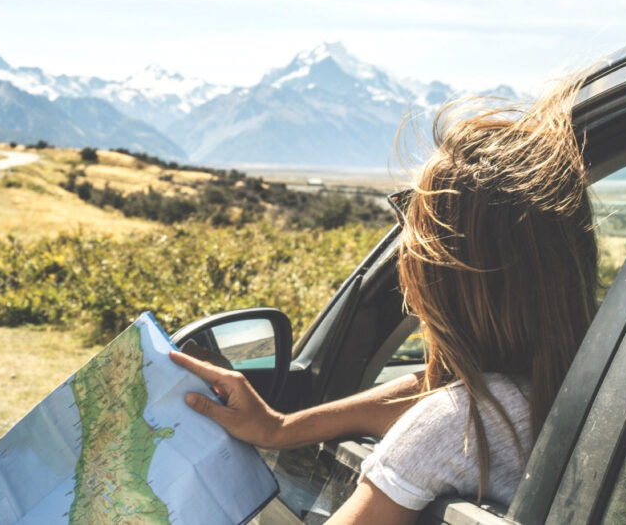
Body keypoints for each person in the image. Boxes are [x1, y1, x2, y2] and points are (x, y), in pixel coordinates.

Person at [171, 80, 598, 524]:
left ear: (444, 276)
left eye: (412, 229)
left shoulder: (456, 427)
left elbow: (448, 412)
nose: (404, 255)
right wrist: (279, 429)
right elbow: (435, 391)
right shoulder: (586, 389)